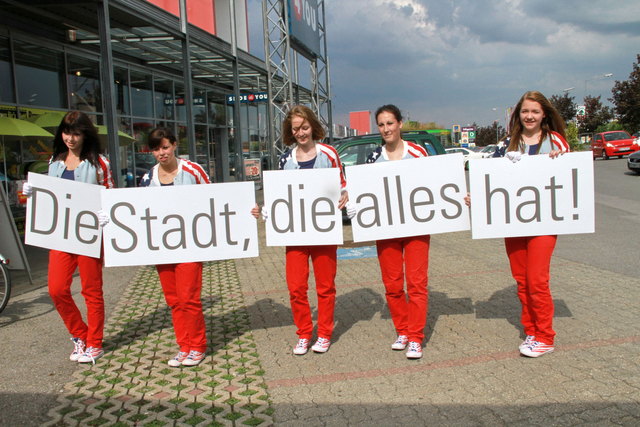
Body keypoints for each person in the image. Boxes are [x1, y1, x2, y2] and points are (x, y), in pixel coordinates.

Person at [472, 90, 570, 358]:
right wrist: (476, 196)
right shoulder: (506, 144)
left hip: (544, 222)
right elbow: (489, 179)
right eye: (525, 111)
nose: (529, 116)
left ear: (544, 114)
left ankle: (545, 336)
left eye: (535, 111)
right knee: (522, 281)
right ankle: (532, 331)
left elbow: (569, 176)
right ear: (518, 114)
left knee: (537, 280)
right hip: (513, 223)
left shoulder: (556, 141)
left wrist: (559, 161)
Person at [253, 105, 348, 355]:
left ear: (313, 126)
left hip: (323, 231)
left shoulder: (329, 154)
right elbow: (279, 193)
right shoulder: (286, 159)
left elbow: (342, 185)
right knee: (296, 287)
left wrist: (345, 195)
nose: (301, 133)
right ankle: (304, 333)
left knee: (325, 286)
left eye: (304, 127)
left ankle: (324, 333)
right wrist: (268, 209)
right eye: (296, 129)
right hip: (295, 234)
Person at [24, 111, 114, 364]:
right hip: (61, 235)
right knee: (56, 289)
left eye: (76, 133)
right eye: (66, 133)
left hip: (88, 235)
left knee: (91, 291)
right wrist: (32, 193)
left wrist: (106, 214)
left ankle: (94, 342)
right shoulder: (55, 161)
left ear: (85, 134)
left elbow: (110, 194)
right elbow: (50, 197)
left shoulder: (99, 163)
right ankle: (79, 334)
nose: (70, 139)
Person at [140, 127, 211, 367]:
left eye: (165, 147)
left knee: (189, 297)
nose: (161, 153)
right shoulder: (148, 178)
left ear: (174, 145)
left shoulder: (193, 170)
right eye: (156, 149)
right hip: (163, 248)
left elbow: (215, 198)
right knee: (173, 299)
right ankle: (184, 346)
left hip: (190, 245)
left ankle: (197, 346)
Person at [365, 104, 430, 359]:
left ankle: (415, 337)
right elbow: (365, 191)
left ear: (400, 124)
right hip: (386, 229)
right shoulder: (373, 157)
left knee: (416, 284)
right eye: (381, 125)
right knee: (392, 285)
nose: (386, 129)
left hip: (416, 229)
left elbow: (435, 182)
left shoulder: (418, 153)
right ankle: (402, 330)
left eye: (390, 123)